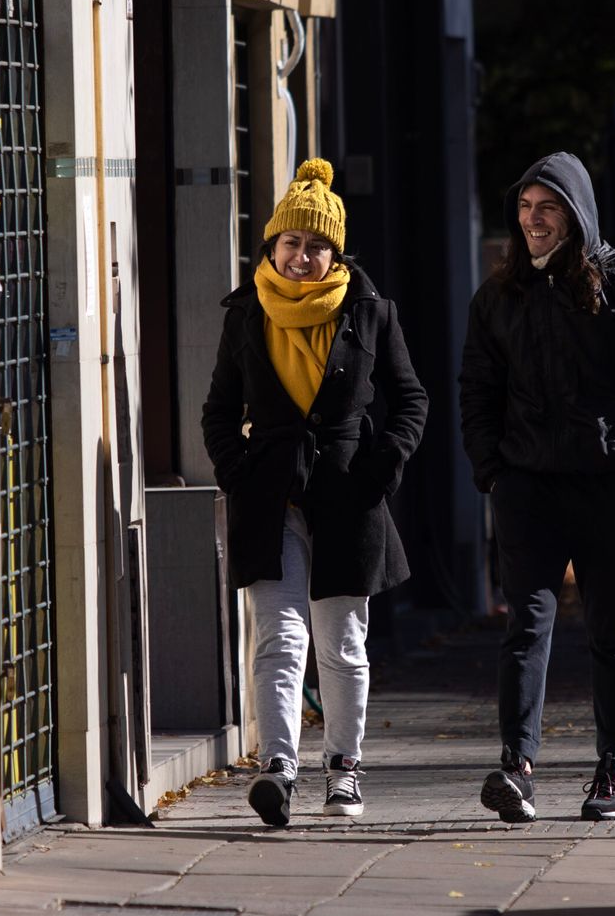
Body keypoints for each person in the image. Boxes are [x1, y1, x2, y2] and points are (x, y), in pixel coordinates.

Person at [202, 158, 428, 826]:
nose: (301, 257)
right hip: (268, 497)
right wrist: (237, 468)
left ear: (336, 253)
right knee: (278, 638)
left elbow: (410, 399)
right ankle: (278, 769)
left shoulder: (369, 312)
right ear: (272, 245)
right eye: (291, 243)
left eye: (315, 246)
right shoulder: (245, 313)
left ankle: (344, 770)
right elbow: (218, 409)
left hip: (347, 497)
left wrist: (382, 467)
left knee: (342, 643)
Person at [459, 151, 615, 822]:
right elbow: (477, 390)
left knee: (611, 634)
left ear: (575, 214)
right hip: (527, 489)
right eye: (526, 209)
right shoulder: (498, 296)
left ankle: (612, 771)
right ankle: (517, 768)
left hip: (610, 491)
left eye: (547, 208)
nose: (533, 221)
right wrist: (493, 473)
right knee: (525, 628)